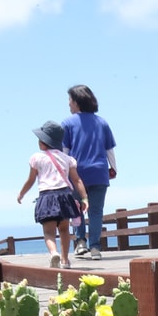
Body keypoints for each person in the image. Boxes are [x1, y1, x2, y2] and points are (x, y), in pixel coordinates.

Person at [16, 120, 89, 270]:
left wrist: (21, 194)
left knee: (49, 232)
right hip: (65, 196)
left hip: (47, 196)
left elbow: (31, 180)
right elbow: (77, 180)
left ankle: (53, 252)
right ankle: (64, 260)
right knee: (64, 230)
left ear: (43, 142)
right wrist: (84, 198)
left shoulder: (36, 158)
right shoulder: (67, 159)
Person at [61, 84, 117, 261]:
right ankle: (95, 248)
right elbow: (109, 150)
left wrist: (63, 174)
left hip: (77, 174)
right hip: (99, 172)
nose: (69, 104)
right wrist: (114, 168)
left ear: (76, 102)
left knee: (76, 209)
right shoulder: (102, 123)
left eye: (70, 101)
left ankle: (80, 242)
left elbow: (65, 152)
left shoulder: (67, 124)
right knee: (96, 212)